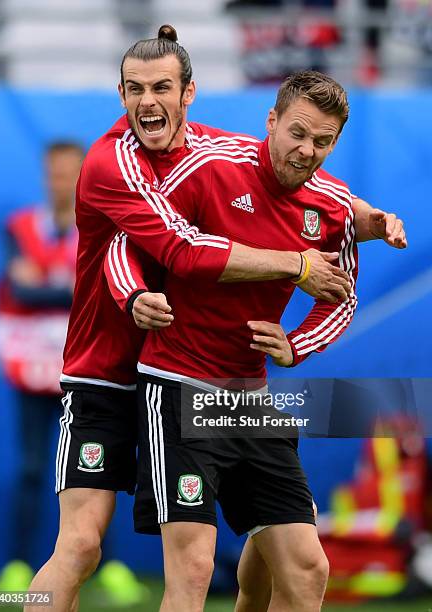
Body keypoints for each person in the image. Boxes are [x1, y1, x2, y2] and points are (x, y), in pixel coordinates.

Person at [25, 30, 359, 612]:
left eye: (161, 88)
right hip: (111, 374)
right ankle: (6, 601)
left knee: (294, 561)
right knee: (80, 547)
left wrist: (370, 217)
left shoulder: (208, 151)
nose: (147, 101)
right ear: (120, 93)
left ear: (188, 96)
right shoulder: (112, 162)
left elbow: (301, 175)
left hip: (215, 381)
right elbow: (160, 249)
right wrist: (132, 298)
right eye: (134, 89)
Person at [106, 68, 405, 612]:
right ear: (271, 122)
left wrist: (296, 345)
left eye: (323, 141)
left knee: (309, 568)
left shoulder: (333, 206)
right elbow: (128, 240)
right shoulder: (212, 169)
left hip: (250, 398)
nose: (307, 150)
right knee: (194, 568)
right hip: (177, 385)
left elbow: (341, 299)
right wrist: (133, 297)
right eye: (297, 132)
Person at [0, 142, 83, 591]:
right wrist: (65, 285)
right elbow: (21, 293)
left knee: (91, 469)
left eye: (68, 173)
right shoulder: (20, 226)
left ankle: (106, 567)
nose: (59, 182)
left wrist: (44, 280)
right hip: (30, 366)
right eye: (53, 173)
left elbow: (96, 293)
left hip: (84, 367)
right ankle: (18, 564)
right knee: (30, 467)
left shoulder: (98, 228)